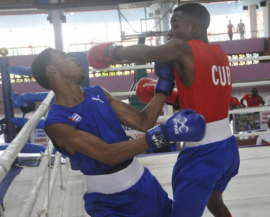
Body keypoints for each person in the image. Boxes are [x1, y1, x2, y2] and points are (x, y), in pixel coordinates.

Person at [88, 3, 239, 217]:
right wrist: (167, 92)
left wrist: (113, 52)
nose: (170, 32)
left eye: (175, 25)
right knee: (216, 204)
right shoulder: (219, 54)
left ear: (193, 28)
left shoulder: (182, 48)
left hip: (204, 153)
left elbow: (149, 52)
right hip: (227, 148)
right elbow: (205, 99)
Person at [31, 48, 206, 217]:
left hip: (145, 186)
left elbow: (143, 122)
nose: (74, 58)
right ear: (51, 69)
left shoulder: (98, 93)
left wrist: (164, 84)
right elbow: (106, 154)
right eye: (64, 56)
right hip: (110, 204)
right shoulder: (56, 122)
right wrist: (163, 135)